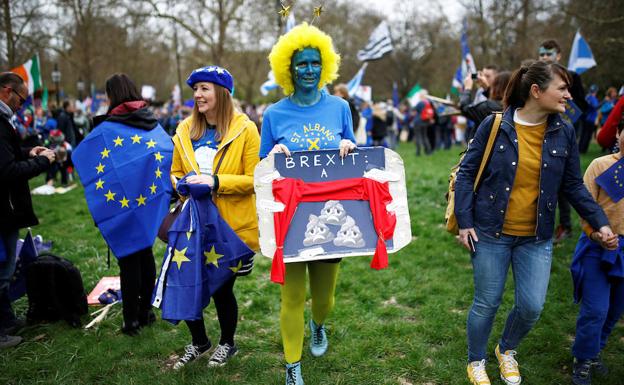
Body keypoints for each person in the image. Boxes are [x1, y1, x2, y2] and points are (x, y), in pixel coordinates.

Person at [455, 61, 614, 385]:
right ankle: (476, 361)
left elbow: (572, 185)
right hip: (490, 232)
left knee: (531, 306)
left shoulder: (564, 130)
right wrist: (465, 222)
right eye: (563, 88)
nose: (569, 95)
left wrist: (600, 222)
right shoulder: (494, 125)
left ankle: (506, 350)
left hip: (536, 237)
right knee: (487, 302)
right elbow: (467, 173)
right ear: (536, 91)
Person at [259, 22, 356, 385]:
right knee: (293, 297)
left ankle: (318, 325)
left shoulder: (341, 107)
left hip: (334, 216)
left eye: (315, 63)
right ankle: (292, 366)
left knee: (325, 298)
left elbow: (356, 157)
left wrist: (350, 146)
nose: (309, 70)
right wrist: (274, 155)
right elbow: (262, 170)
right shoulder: (274, 115)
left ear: (325, 65)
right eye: (301, 64)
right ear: (289, 68)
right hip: (292, 217)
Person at [169, 65, 260, 369]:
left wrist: (216, 183)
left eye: (204, 89)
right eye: (195, 89)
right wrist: (182, 186)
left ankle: (227, 343)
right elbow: (175, 172)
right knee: (185, 280)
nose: (197, 95)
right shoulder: (184, 129)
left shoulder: (245, 129)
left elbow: (254, 179)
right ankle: (199, 341)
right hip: (192, 224)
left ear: (221, 93)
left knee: (222, 288)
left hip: (229, 227)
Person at [90, 74, 160, 336]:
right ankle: (146, 311)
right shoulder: (151, 121)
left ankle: (131, 320)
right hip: (148, 200)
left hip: (119, 202)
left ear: (111, 95)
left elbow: (98, 169)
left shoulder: (107, 128)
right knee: (145, 255)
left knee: (129, 260)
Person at [0, 72, 55, 348]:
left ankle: (6, 320)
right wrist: (43, 163)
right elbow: (7, 170)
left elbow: (8, 155)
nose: (23, 105)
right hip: (3, 211)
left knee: (6, 268)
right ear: (7, 91)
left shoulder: (4, 122)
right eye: (22, 99)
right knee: (0, 269)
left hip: (7, 211)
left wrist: (28, 152)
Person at [569, 124, 623, 385]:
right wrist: (597, 235)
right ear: (618, 134)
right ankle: (582, 359)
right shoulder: (600, 166)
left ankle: (595, 352)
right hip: (596, 248)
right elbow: (584, 207)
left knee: (614, 310)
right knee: (596, 309)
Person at [538, 39, 588, 243]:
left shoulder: (572, 77)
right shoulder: (538, 76)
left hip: (563, 133)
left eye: (548, 54)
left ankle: (566, 225)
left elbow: (582, 104)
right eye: (541, 54)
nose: (544, 57)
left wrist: (565, 105)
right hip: (540, 132)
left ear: (558, 55)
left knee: (564, 180)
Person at [460, 71, 511, 138]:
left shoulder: (486, 107)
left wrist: (467, 88)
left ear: (496, 86)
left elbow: (465, 108)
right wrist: (487, 88)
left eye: (488, 76)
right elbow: (498, 100)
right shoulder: (513, 106)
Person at [578, 85, 600, 154]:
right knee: (587, 135)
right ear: (596, 91)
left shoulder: (587, 97)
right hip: (590, 119)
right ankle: (583, 150)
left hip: (585, 118)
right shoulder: (593, 98)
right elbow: (595, 106)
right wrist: (604, 102)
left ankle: (580, 148)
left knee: (583, 134)